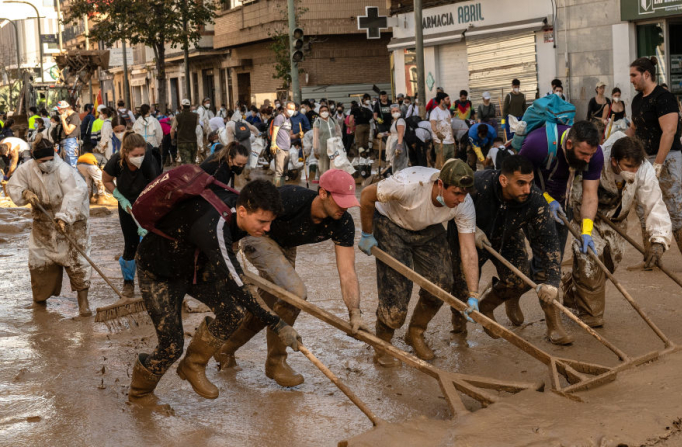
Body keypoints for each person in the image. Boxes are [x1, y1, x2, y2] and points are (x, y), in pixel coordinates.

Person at [128, 179, 301, 409]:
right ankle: (139, 394)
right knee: (172, 345)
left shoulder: (238, 212)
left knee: (233, 311)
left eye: (270, 222)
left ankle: (193, 363)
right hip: (159, 272)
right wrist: (278, 324)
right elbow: (238, 284)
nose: (267, 228)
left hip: (194, 266)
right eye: (262, 222)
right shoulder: (215, 225)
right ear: (242, 211)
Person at [214, 170, 363, 386]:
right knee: (295, 294)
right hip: (258, 236)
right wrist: (230, 255)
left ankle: (225, 349)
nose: (344, 208)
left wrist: (355, 312)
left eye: (348, 202)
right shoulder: (291, 198)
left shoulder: (343, 222)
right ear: (323, 193)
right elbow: (243, 217)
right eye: (340, 201)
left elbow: (347, 271)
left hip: (286, 246)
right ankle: (276, 362)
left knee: (267, 307)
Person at [358, 160, 481, 364]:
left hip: (427, 227)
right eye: (457, 193)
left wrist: (473, 294)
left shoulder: (464, 204)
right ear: (440, 184)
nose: (461, 199)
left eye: (465, 194)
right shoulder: (408, 184)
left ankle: (415, 332)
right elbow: (366, 195)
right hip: (391, 222)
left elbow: (468, 251)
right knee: (396, 295)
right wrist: (366, 233)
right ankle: (383, 343)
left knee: (441, 283)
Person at [448, 155, 572, 344]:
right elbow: (449, 206)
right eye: (521, 183)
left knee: (518, 281)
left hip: (507, 235)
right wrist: (471, 230)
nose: (527, 189)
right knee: (462, 288)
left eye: (530, 183)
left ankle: (487, 305)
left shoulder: (534, 199)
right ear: (503, 180)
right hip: (468, 235)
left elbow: (548, 242)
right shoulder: (477, 185)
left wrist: (553, 283)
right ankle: (459, 329)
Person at [564, 134, 672, 327]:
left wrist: (659, 240)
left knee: (608, 265)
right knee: (590, 259)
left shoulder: (643, 169)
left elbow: (654, 203)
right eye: (628, 166)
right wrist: (583, 214)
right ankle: (592, 315)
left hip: (617, 219)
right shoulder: (595, 160)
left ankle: (571, 289)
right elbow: (578, 191)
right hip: (588, 217)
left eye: (636, 166)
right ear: (614, 161)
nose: (633, 171)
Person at [519, 121, 603, 326]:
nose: (588, 159)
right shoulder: (538, 144)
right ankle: (554, 325)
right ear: (569, 144)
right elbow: (518, 180)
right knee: (549, 261)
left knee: (549, 260)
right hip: (528, 201)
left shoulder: (594, 154)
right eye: (583, 154)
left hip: (561, 206)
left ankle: (507, 289)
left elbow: (590, 195)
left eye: (591, 154)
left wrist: (586, 231)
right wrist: (546, 199)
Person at [626, 56, 682, 275]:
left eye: (634, 75)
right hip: (643, 159)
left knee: (673, 206)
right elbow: (634, 129)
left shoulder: (664, 97)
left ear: (646, 74)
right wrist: (615, 142)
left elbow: (669, 132)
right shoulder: (637, 100)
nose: (631, 79)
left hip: (667, 158)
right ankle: (650, 258)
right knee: (643, 208)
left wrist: (658, 165)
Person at [7, 139, 92, 316]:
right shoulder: (26, 169)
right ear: (34, 159)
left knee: (77, 260)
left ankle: (84, 304)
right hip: (43, 223)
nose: (47, 163)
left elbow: (77, 193)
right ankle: (40, 302)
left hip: (72, 221)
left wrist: (64, 218)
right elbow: (13, 186)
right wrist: (24, 192)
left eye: (50, 159)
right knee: (39, 262)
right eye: (43, 161)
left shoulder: (64, 170)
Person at [102, 133, 159, 299]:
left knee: (151, 243)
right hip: (126, 205)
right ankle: (128, 282)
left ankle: (152, 282)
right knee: (131, 244)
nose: (139, 158)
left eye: (141, 154)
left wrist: (147, 210)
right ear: (126, 153)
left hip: (147, 202)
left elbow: (156, 186)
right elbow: (106, 180)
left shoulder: (148, 161)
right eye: (135, 155)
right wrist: (119, 197)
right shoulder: (116, 162)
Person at [270, 101, 296, 187]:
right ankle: (275, 190)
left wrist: (298, 135)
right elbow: (275, 130)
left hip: (287, 149)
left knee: (284, 172)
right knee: (279, 172)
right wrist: (273, 144)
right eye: (290, 109)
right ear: (285, 109)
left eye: (293, 109)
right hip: (279, 148)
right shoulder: (280, 117)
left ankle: (281, 189)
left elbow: (290, 135)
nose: (291, 111)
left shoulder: (289, 120)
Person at [312, 105, 341, 176]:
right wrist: (315, 149)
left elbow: (339, 133)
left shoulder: (333, 120)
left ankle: (333, 182)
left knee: (334, 167)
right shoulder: (317, 122)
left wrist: (339, 144)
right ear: (319, 113)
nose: (324, 112)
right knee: (324, 168)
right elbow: (315, 137)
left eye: (325, 110)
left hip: (334, 148)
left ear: (328, 112)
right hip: (323, 149)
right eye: (322, 111)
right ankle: (323, 182)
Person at [171, 99, 200, 165]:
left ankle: (188, 171)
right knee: (193, 162)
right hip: (193, 141)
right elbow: (198, 129)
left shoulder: (178, 116)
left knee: (186, 162)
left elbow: (172, 130)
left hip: (182, 142)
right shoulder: (196, 116)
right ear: (189, 106)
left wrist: (172, 139)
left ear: (182, 106)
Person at [429, 93, 454, 168]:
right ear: (441, 100)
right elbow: (433, 125)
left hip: (450, 142)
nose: (449, 101)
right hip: (441, 142)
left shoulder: (447, 111)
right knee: (441, 165)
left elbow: (449, 125)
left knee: (450, 165)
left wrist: (453, 140)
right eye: (447, 99)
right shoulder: (435, 112)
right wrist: (437, 133)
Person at [56, 101, 81, 167]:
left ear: (66, 109)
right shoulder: (66, 117)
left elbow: (68, 131)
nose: (59, 112)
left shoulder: (74, 116)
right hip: (63, 143)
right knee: (64, 166)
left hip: (70, 143)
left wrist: (63, 119)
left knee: (71, 166)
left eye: (60, 110)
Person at [386, 104, 408, 173]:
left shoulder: (400, 121)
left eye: (397, 111)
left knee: (399, 164)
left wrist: (399, 146)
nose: (395, 112)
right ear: (391, 112)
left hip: (398, 142)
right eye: (393, 111)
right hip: (393, 142)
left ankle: (400, 177)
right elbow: (393, 133)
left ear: (400, 111)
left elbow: (400, 134)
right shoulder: (395, 121)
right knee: (394, 162)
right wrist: (384, 134)